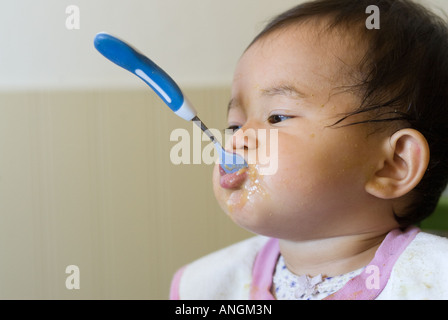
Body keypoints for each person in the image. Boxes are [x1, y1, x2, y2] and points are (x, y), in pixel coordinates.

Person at [170, 0, 448, 300]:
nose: (237, 141)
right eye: (234, 126)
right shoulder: (209, 285)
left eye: (277, 117)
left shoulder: (434, 280)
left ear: (392, 164)